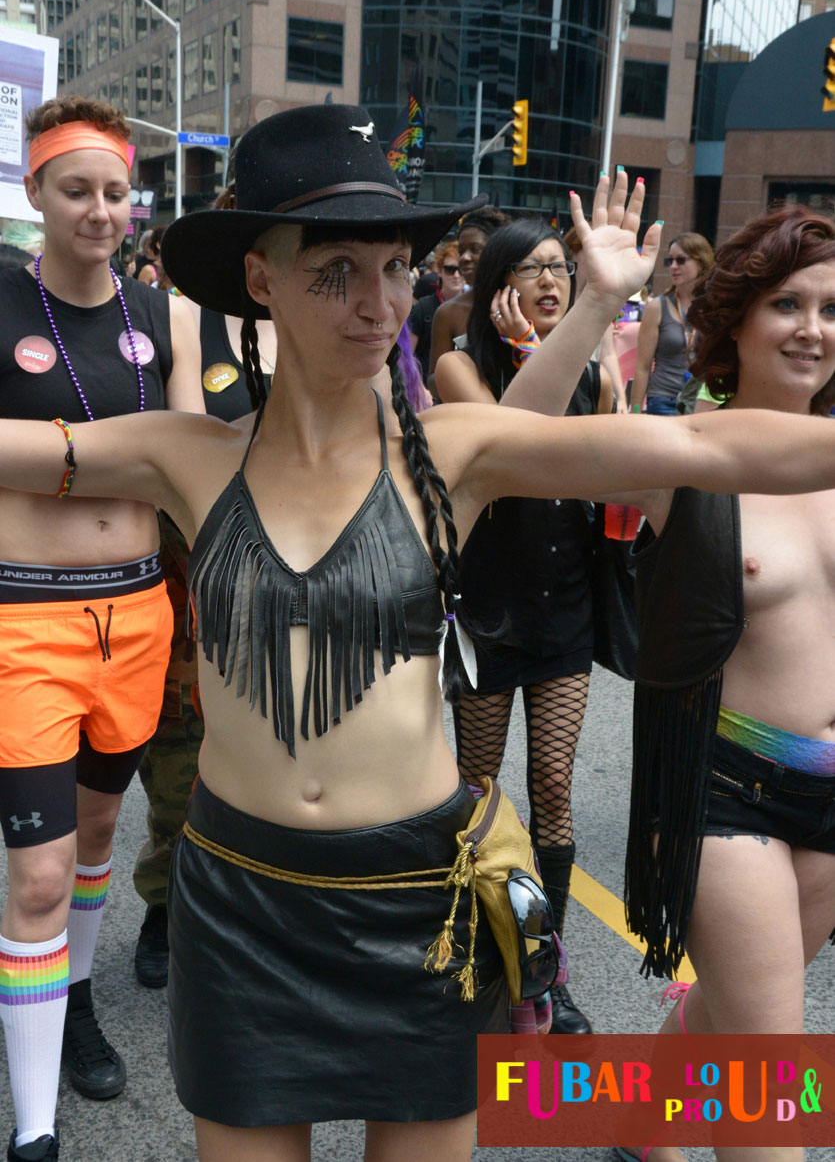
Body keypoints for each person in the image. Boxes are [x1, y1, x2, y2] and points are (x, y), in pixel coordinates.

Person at [3, 108, 835, 1162]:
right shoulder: (184, 453)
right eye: (335, 270)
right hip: (242, 903)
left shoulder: (453, 447)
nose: (377, 302)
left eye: (393, 268)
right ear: (260, 278)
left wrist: (592, 307)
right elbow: (26, 448)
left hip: (419, 905)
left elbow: (702, 442)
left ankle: (651, 1112)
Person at [0, 95, 203, 1162]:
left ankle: (70, 996)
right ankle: (34, 1127)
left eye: (116, 191)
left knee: (90, 842)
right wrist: (120, 451)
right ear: (34, 191)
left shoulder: (162, 312)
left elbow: (200, 448)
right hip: (23, 617)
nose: (99, 210)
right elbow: (152, 450)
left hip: (139, 613)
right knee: (33, 873)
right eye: (75, 189)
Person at [620, 204, 835, 1162]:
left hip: (827, 796)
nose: (813, 329)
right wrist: (595, 304)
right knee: (768, 1092)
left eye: (832, 309)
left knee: (742, 999)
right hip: (723, 787)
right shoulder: (683, 454)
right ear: (737, 319)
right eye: (787, 303)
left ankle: (637, 1117)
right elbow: (509, 444)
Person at [434, 219, 611, 1035]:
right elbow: (516, 451)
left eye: (559, 269)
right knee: (479, 795)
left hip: (564, 605)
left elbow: (602, 464)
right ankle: (476, 957)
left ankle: (547, 971)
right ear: (497, 281)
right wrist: (535, 355)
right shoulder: (457, 365)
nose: (550, 280)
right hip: (489, 610)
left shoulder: (591, 372)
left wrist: (584, 377)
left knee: (551, 792)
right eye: (532, 268)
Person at [132, 293, 277, 987]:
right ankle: (165, 904)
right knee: (181, 757)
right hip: (192, 568)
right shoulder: (190, 320)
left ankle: (259, 915)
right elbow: (181, 440)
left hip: (295, 579)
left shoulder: (342, 319)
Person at [631, 231, 714, 415]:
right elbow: (642, 367)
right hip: (663, 400)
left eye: (681, 260)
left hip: (701, 402)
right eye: (669, 261)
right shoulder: (657, 307)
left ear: (701, 263)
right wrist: (635, 412)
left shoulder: (714, 308)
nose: (673, 266)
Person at [428, 206, 507, 380]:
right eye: (462, 251)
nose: (465, 258)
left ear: (498, 251)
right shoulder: (448, 313)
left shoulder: (519, 304)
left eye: (475, 249)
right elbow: (433, 379)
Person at [563, 221, 629, 412]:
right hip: (562, 387)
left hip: (592, 389)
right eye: (592, 250)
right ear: (573, 251)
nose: (599, 259)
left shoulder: (603, 299)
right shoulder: (556, 297)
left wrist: (621, 399)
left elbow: (607, 353)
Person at [407, 240, 462, 381]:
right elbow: (407, 356)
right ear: (439, 271)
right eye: (450, 269)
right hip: (427, 391)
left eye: (461, 269)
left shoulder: (475, 308)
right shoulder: (423, 308)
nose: (456, 275)